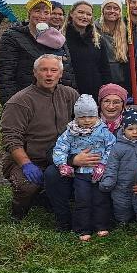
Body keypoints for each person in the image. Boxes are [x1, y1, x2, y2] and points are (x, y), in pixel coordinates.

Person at [0, 54, 79, 222]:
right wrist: (26, 164)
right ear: (35, 73)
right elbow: (11, 138)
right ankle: (18, 211)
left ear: (60, 74)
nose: (48, 74)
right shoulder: (20, 101)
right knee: (27, 186)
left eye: (53, 70)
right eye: (43, 70)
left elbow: (84, 122)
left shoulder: (70, 95)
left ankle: (49, 198)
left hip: (61, 157)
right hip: (32, 159)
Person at [51, 94, 116, 241]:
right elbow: (60, 148)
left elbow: (111, 147)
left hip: (99, 172)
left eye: (91, 117)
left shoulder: (103, 131)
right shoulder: (70, 132)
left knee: (100, 199)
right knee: (83, 200)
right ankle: (83, 229)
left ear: (96, 115)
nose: (87, 121)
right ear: (76, 117)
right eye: (82, 117)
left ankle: (101, 226)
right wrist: (63, 164)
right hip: (81, 174)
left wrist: (103, 164)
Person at [0, 0, 75, 105]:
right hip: (28, 101)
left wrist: (70, 100)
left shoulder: (57, 38)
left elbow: (68, 71)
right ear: (29, 13)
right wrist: (10, 105)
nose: (42, 16)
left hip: (57, 101)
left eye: (46, 12)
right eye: (37, 11)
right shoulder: (12, 37)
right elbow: (6, 76)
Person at [99, 109, 137, 232]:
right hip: (122, 184)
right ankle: (122, 220)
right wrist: (109, 180)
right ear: (123, 129)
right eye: (130, 129)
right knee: (121, 203)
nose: (135, 132)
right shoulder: (118, 147)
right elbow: (112, 166)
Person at [64, 0, 113, 96]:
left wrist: (107, 92)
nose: (84, 17)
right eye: (80, 12)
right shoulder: (61, 39)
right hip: (68, 93)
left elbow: (105, 69)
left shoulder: (97, 41)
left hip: (94, 93)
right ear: (71, 14)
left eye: (88, 14)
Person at [95, 0, 132, 92]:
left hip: (122, 80)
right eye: (108, 8)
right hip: (102, 79)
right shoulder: (94, 30)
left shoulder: (126, 31)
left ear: (120, 12)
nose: (112, 11)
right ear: (103, 11)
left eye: (116, 8)